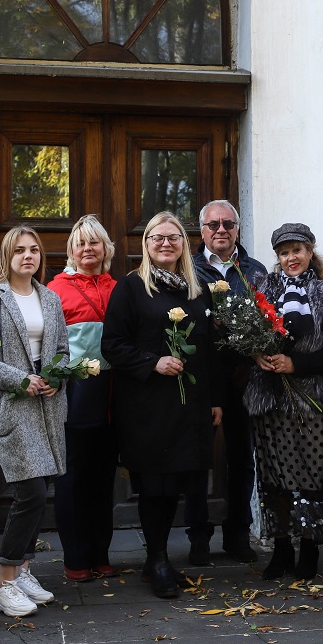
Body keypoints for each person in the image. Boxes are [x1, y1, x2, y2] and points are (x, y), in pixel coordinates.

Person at [102, 212, 222, 598]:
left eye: (173, 237)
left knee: (176, 484)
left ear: (184, 244)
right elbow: (112, 346)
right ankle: (155, 560)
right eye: (158, 237)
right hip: (146, 405)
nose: (166, 243)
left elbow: (209, 352)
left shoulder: (197, 289)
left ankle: (160, 559)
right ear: (146, 244)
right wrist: (152, 362)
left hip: (189, 406)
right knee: (153, 485)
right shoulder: (131, 288)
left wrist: (215, 400)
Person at [0, 226, 69, 619]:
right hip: (12, 406)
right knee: (29, 493)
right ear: (7, 256)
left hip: (46, 407)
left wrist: (56, 378)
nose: (28, 256)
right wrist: (19, 379)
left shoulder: (50, 298)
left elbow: (60, 349)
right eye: (19, 250)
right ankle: (3, 583)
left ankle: (23, 570)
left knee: (41, 490)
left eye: (34, 250)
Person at [247, 222, 323, 581]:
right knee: (274, 477)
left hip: (311, 401)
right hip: (271, 400)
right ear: (277, 257)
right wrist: (257, 354)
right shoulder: (263, 289)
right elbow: (248, 337)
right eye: (284, 252)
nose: (291, 258)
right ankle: (280, 549)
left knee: (312, 476)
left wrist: (298, 363)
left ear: (310, 251)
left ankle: (309, 548)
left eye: (297, 250)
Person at [186, 199, 269, 566]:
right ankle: (198, 538)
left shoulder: (255, 270)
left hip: (244, 378)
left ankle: (237, 534)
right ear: (202, 230)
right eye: (213, 225)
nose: (221, 230)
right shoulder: (188, 269)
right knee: (196, 459)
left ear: (237, 228)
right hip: (202, 377)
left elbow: (270, 316)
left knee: (241, 458)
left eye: (228, 224)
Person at [48, 215, 119, 582]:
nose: (88, 249)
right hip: (75, 393)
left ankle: (101, 553)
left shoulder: (119, 287)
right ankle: (76, 557)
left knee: (104, 477)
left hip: (113, 395)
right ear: (71, 251)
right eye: (81, 243)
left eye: (95, 243)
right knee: (73, 476)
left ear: (106, 249)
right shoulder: (54, 290)